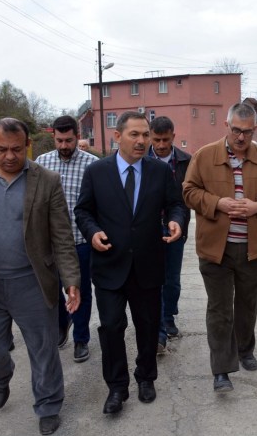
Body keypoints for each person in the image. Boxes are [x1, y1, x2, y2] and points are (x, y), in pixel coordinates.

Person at [0, 117, 81, 435]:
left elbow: (62, 236)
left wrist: (71, 281)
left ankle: (48, 404)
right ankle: (2, 374)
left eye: (16, 149)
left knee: (43, 348)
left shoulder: (46, 180)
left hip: (32, 282)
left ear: (27, 146)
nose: (9, 156)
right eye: (1, 149)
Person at [75, 111, 187, 414]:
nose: (141, 141)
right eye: (134, 134)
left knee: (147, 326)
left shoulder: (159, 171)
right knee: (111, 327)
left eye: (145, 135)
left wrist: (176, 221)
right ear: (117, 136)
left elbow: (176, 204)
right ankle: (117, 387)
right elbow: (83, 211)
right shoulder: (97, 172)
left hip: (148, 264)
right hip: (109, 263)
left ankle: (146, 377)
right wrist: (92, 232)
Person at [183, 102, 257, 392]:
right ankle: (221, 369)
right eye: (237, 130)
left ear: (255, 129)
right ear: (226, 125)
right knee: (220, 309)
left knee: (247, 305)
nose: (241, 137)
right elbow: (188, 192)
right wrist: (218, 203)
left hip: (253, 248)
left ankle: (244, 349)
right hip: (216, 249)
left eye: (248, 132)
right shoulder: (204, 156)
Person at [35, 116, 98, 363]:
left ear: (77, 136)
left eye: (69, 140)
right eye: (59, 140)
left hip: (80, 241)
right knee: (52, 289)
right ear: (53, 137)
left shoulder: (92, 165)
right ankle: (62, 324)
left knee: (79, 290)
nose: (64, 146)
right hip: (49, 243)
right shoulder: (42, 163)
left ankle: (81, 339)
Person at [147, 116, 191, 353]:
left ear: (173, 136)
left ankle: (169, 314)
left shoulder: (186, 161)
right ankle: (160, 325)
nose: (161, 145)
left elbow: (188, 197)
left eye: (166, 140)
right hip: (148, 228)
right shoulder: (141, 159)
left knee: (172, 279)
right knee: (154, 278)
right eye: (157, 140)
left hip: (176, 226)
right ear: (150, 137)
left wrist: (180, 222)